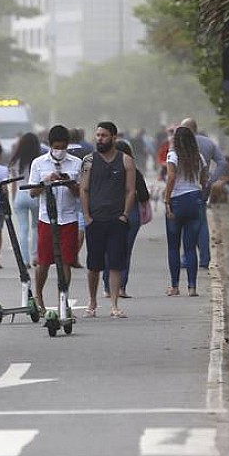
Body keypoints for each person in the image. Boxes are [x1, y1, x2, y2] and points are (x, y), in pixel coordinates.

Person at [79, 121, 136, 318]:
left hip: (116, 219)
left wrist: (125, 214)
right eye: (98, 135)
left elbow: (130, 190)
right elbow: (83, 189)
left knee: (115, 263)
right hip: (95, 219)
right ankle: (92, 302)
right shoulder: (89, 161)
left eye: (104, 135)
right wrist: (86, 216)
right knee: (93, 265)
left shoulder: (126, 161)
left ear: (113, 137)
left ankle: (114, 304)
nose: (100, 139)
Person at [27, 125, 83, 312]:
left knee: (67, 260)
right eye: (57, 147)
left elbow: (80, 193)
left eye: (63, 147)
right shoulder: (39, 163)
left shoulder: (76, 163)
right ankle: (38, 295)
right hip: (47, 218)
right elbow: (33, 192)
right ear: (50, 145)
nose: (60, 151)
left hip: (69, 217)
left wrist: (69, 183)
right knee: (44, 260)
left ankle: (63, 297)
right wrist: (47, 181)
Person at [163, 126, 209, 297]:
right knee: (190, 248)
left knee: (173, 246)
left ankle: (175, 286)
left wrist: (167, 200)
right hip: (194, 199)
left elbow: (171, 177)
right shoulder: (199, 157)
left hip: (177, 200)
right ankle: (192, 287)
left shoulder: (172, 155)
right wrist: (202, 191)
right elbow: (205, 178)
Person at [103, 140, 148, 299]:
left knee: (108, 250)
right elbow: (144, 196)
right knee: (125, 252)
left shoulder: (107, 171)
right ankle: (121, 287)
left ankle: (108, 286)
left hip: (110, 213)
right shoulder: (134, 171)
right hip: (132, 213)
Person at [181, 117, 224, 269]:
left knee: (186, 223)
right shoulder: (208, 142)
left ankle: (187, 258)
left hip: (184, 188)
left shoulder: (181, 143)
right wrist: (211, 180)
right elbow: (222, 162)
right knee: (201, 221)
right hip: (202, 187)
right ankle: (204, 259)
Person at [8, 132, 43, 266]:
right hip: (34, 194)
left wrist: (14, 198)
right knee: (35, 227)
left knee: (23, 228)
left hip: (20, 195)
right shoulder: (38, 160)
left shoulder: (15, 161)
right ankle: (35, 256)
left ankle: (24, 260)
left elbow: (14, 183)